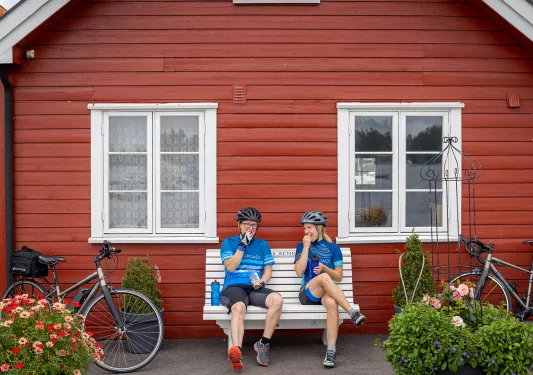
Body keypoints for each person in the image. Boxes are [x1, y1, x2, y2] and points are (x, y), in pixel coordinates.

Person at [294, 210, 367, 368]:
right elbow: (299, 271)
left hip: (325, 294)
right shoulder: (301, 246)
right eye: (304, 228)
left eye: (309, 228)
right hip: (307, 294)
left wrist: (325, 268)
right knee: (324, 278)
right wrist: (306, 247)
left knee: (332, 303)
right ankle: (352, 312)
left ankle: (331, 351)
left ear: (320, 228)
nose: (306, 232)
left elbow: (339, 276)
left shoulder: (333, 249)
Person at [220, 207, 284, 371]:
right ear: (239, 225)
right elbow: (231, 267)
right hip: (234, 286)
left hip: (255, 288)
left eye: (254, 225)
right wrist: (242, 246)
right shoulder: (229, 243)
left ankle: (263, 344)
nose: (251, 228)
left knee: (277, 300)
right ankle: (237, 351)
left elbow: (268, 271)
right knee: (239, 307)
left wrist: (261, 281)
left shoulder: (263, 245)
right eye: (247, 224)